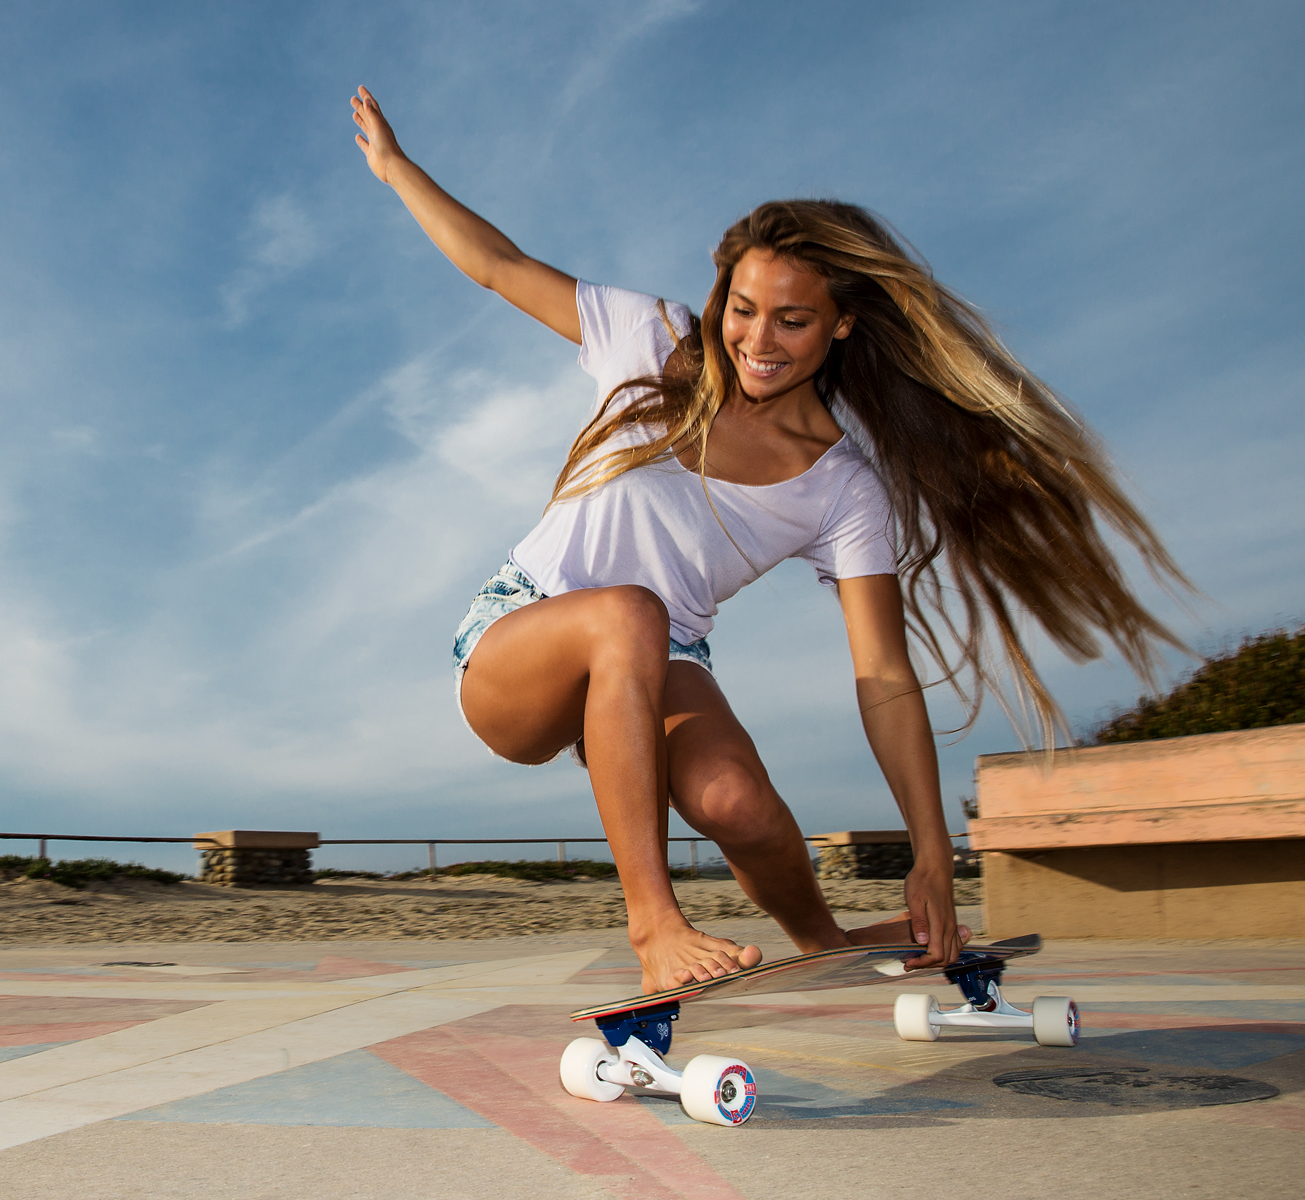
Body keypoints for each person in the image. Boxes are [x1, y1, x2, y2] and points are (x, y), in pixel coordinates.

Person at [349, 87, 1188, 995]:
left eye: (793, 320)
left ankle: (820, 937)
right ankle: (654, 923)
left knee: (738, 804)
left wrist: (935, 854)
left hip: (661, 657)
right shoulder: (657, 341)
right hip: (521, 639)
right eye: (743, 309)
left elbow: (884, 676)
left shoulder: (843, 487)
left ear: (842, 325)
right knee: (627, 613)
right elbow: (500, 265)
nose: (757, 340)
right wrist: (397, 168)